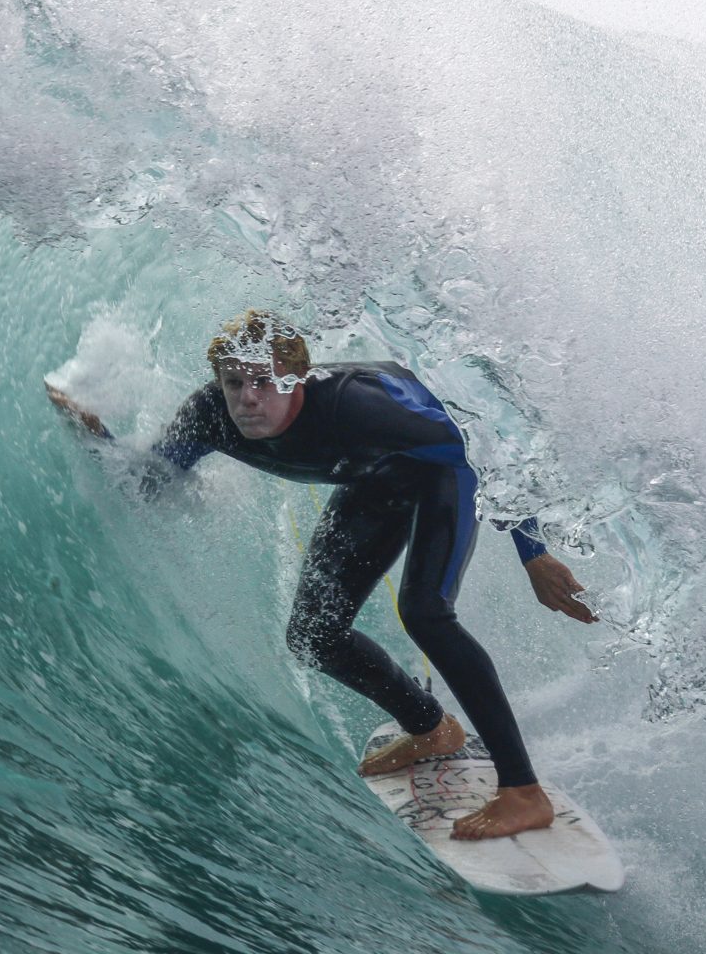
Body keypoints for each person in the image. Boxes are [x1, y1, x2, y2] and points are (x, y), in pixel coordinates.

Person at [47, 310, 595, 840]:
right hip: (377, 481)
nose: (247, 399)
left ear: (296, 379)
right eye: (234, 383)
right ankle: (431, 728)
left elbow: (484, 449)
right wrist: (99, 441)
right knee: (314, 636)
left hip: (442, 469)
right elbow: (157, 482)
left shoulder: (360, 407)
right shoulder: (211, 414)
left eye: (263, 383)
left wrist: (533, 553)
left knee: (426, 613)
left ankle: (524, 791)